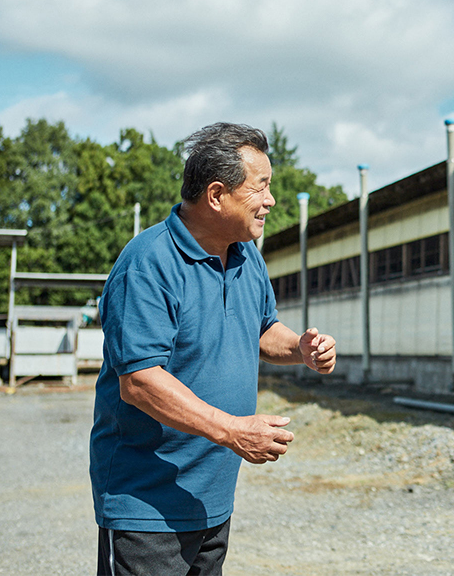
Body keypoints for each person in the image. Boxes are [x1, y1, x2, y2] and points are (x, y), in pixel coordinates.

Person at [90, 122, 337, 576]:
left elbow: (262, 329)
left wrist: (300, 347)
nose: (271, 200)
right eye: (261, 186)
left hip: (211, 496)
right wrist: (233, 431)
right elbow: (139, 382)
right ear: (217, 195)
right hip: (145, 503)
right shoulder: (148, 263)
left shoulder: (245, 254)